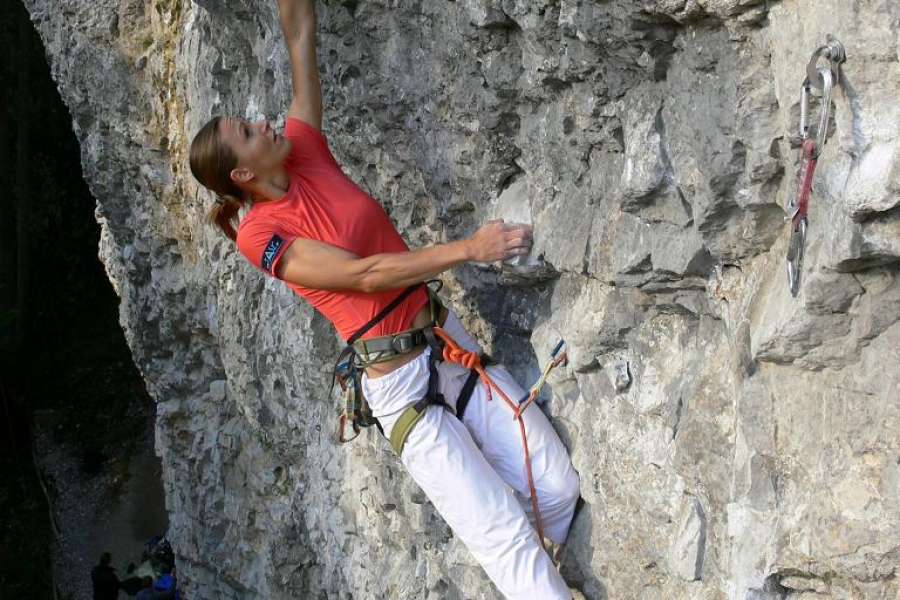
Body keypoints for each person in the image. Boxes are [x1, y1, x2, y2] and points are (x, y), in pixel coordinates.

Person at [188, 2, 582, 598]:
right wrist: (469, 249)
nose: (261, 123)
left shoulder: (303, 149)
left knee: (555, 489)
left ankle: (553, 579)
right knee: (503, 535)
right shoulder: (259, 236)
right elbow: (366, 274)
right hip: (399, 389)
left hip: (447, 346)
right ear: (241, 175)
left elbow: (300, 36)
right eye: (247, 133)